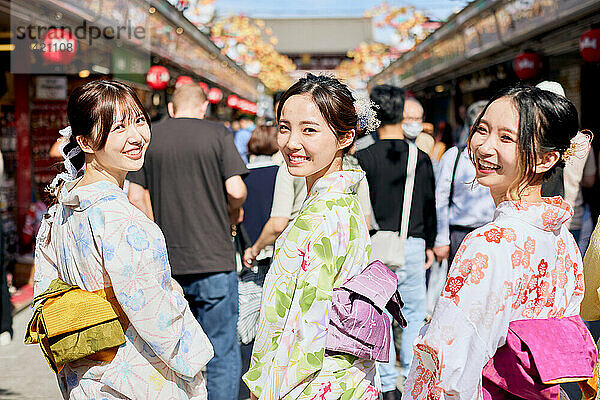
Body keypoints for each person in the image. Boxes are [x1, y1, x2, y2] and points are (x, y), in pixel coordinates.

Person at [403, 86, 594, 399]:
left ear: (546, 159)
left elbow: (446, 354)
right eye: (482, 129)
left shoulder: (489, 243)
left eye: (506, 138)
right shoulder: (562, 237)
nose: (484, 147)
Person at [32, 80, 213, 399]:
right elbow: (154, 314)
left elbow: (45, 289)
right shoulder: (123, 220)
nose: (136, 137)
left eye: (139, 121)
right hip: (133, 376)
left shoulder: (59, 208)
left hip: (85, 374)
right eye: (118, 128)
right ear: (85, 141)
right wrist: (195, 362)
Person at [243, 74, 381, 399]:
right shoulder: (342, 199)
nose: (291, 142)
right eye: (284, 127)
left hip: (310, 383)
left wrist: (266, 389)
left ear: (345, 137)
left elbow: (304, 327)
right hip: (344, 377)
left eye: (309, 129)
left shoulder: (320, 214)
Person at [127, 83, 248, 400]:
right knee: (221, 349)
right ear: (204, 108)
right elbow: (236, 190)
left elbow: (136, 196)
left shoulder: (151, 138)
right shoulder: (218, 134)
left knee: (173, 353)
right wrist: (233, 213)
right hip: (215, 259)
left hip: (169, 265)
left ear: (170, 108)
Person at [357, 85, 436, 397]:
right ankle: (415, 379)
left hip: (373, 247)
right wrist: (430, 242)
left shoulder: (361, 157)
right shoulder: (422, 158)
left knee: (378, 315)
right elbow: (430, 205)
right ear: (402, 113)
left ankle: (387, 384)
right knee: (414, 314)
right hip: (413, 243)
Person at [433, 100, 495, 267]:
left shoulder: (502, 158)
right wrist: (442, 239)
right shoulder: (453, 157)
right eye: (481, 129)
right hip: (460, 236)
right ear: (470, 128)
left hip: (493, 233)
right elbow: (441, 199)